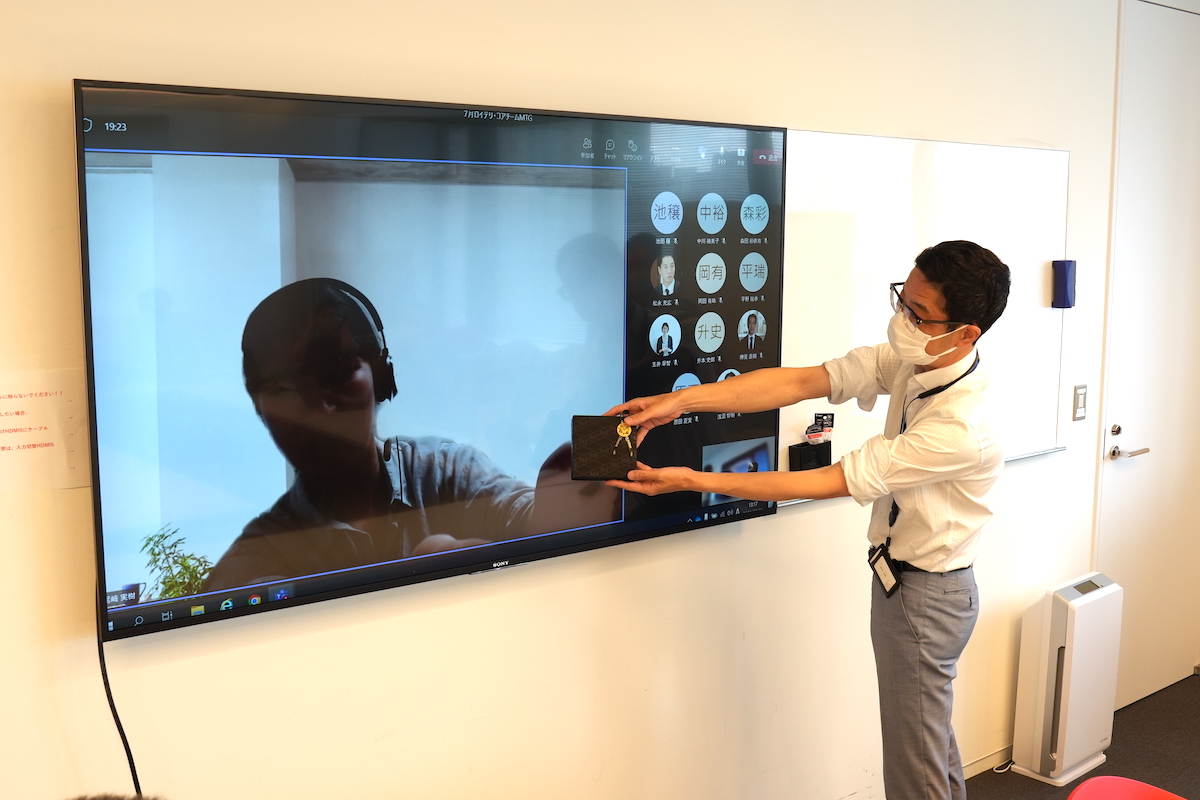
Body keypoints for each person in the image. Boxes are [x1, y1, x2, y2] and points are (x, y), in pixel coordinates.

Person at [606, 240, 1010, 800]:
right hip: (907, 585)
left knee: (913, 768)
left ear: (965, 334)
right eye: (902, 300)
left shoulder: (961, 427)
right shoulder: (915, 361)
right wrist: (682, 402)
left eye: (919, 314)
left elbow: (827, 480)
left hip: (927, 597)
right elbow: (800, 382)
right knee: (928, 748)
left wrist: (694, 480)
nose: (903, 320)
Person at [204, 278, 535, 592]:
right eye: (285, 388)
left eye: (337, 372)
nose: (320, 408)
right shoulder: (253, 562)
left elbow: (531, 515)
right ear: (260, 408)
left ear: (380, 377)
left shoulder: (448, 473)